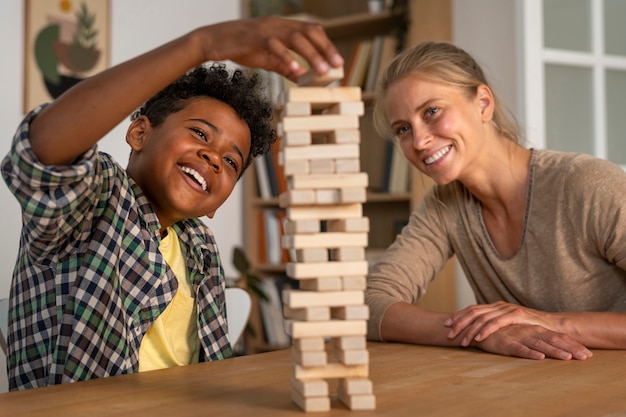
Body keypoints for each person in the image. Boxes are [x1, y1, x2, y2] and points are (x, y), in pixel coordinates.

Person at [1, 16, 343, 391]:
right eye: (199, 132)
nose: (214, 157)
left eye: (231, 162)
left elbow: (209, 369)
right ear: (139, 133)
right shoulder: (97, 200)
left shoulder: (200, 246)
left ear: (218, 202)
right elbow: (42, 155)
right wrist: (200, 45)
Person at [365, 41, 626, 362]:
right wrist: (477, 332)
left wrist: (550, 322)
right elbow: (370, 303)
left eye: (431, 112)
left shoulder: (587, 184)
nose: (419, 141)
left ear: (483, 104)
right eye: (403, 129)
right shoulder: (444, 206)